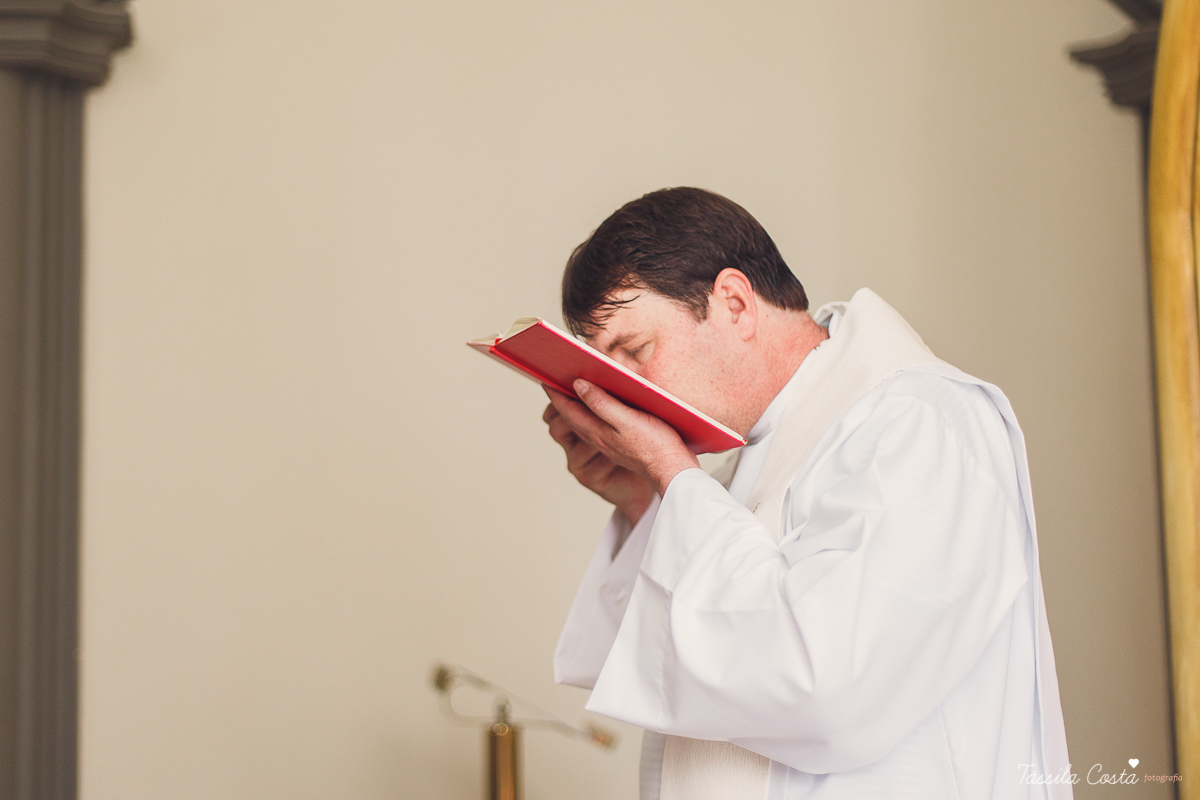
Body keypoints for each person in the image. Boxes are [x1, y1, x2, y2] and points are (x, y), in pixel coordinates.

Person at [542, 187, 1072, 800]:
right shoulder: (756, 452)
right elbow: (693, 677)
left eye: (635, 353)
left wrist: (672, 472)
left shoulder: (922, 420)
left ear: (735, 303)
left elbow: (830, 685)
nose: (624, 394)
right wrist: (645, 503)